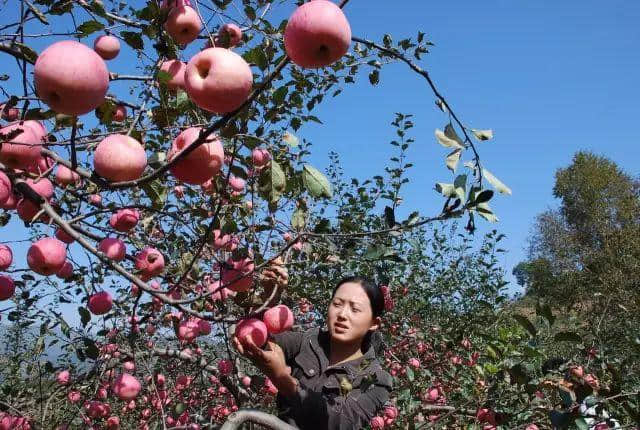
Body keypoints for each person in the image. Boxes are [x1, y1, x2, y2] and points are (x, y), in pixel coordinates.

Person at [233, 268, 393, 430]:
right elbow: (257, 340)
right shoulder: (308, 341)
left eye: (355, 309)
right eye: (337, 304)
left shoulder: (376, 379)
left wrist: (285, 382)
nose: (342, 314)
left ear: (374, 323)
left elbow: (342, 423)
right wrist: (268, 299)